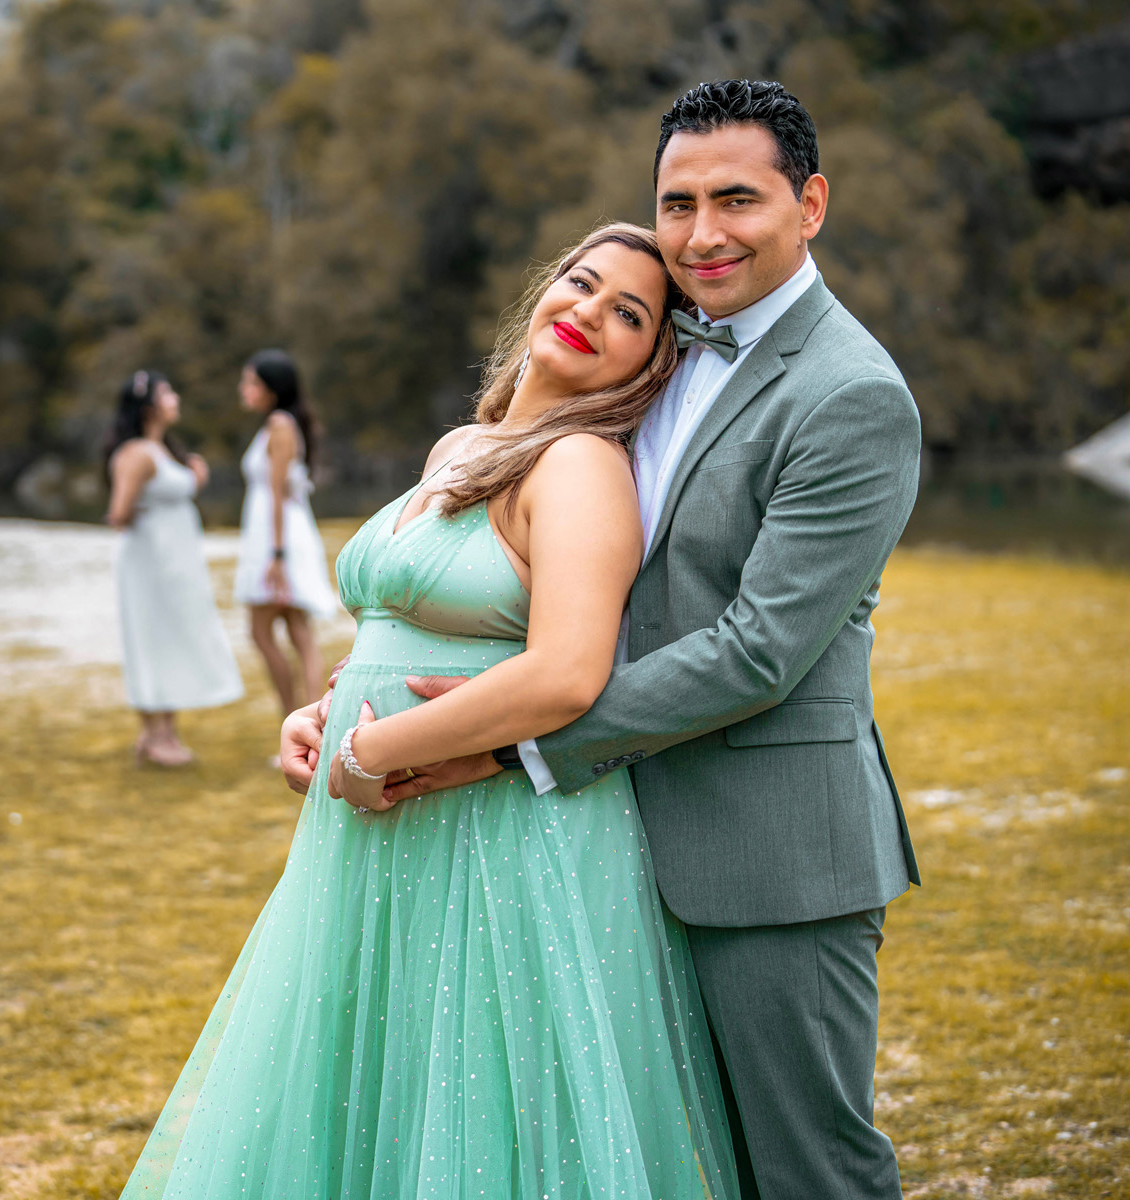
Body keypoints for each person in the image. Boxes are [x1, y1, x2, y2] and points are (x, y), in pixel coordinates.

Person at [284, 80, 923, 1200]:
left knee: (807, 1168)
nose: (703, 232)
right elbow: (518, 593)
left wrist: (509, 746)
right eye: (678, 203)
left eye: (738, 199)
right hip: (593, 847)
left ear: (810, 203)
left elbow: (760, 650)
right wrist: (353, 699)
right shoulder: (647, 353)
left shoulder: (850, 394)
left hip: (764, 849)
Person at [123, 223, 741, 1198]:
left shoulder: (580, 466)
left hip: (501, 844)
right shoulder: (465, 445)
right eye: (580, 283)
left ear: (652, 360)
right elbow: (409, 620)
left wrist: (371, 754)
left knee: (485, 1113)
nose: (588, 311)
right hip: (378, 833)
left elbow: (566, 674)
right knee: (386, 1093)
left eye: (628, 313)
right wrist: (325, 712)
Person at [105, 370, 245, 766]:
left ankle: (165, 730)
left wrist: (192, 478)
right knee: (150, 639)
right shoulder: (136, 453)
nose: (175, 398)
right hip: (149, 565)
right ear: (148, 406)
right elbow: (119, 512)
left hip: (176, 564)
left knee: (173, 638)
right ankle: (154, 734)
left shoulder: (163, 449)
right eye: (168, 393)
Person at [231, 350, 337, 717]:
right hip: (278, 535)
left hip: (278, 539)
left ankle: (297, 720)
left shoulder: (279, 425)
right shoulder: (280, 424)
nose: (244, 389)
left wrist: (276, 556)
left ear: (272, 388)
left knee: (270, 632)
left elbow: (277, 493)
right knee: (296, 631)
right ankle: (305, 723)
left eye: (251, 382)